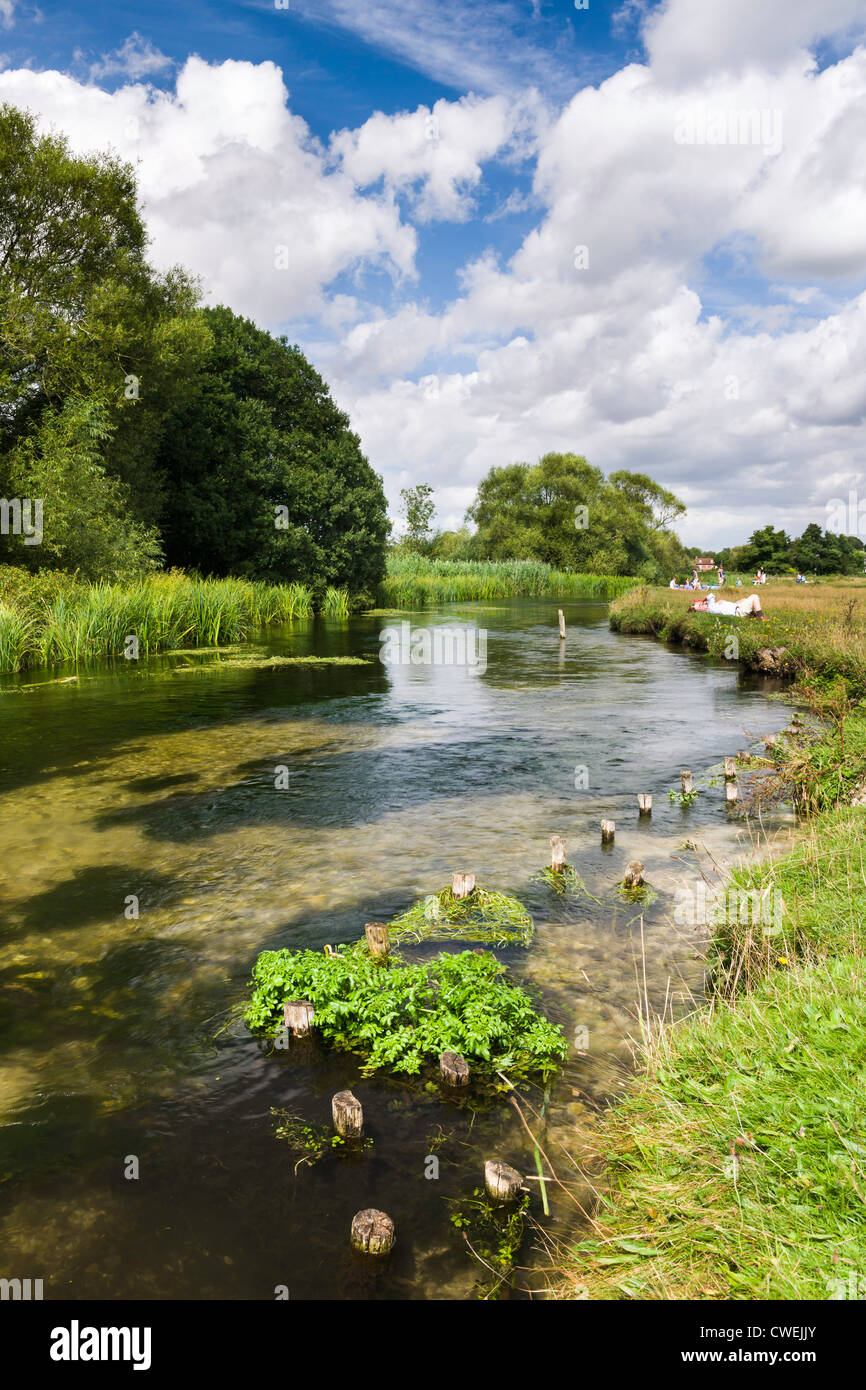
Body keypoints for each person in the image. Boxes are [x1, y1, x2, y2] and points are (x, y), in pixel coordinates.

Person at [689, 592, 767, 619]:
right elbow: (711, 595)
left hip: (736, 607)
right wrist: (702, 601)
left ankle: (755, 616)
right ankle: (761, 617)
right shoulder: (709, 607)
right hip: (737, 611)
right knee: (754, 596)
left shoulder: (712, 607)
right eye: (700, 604)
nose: (702, 603)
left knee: (743, 599)